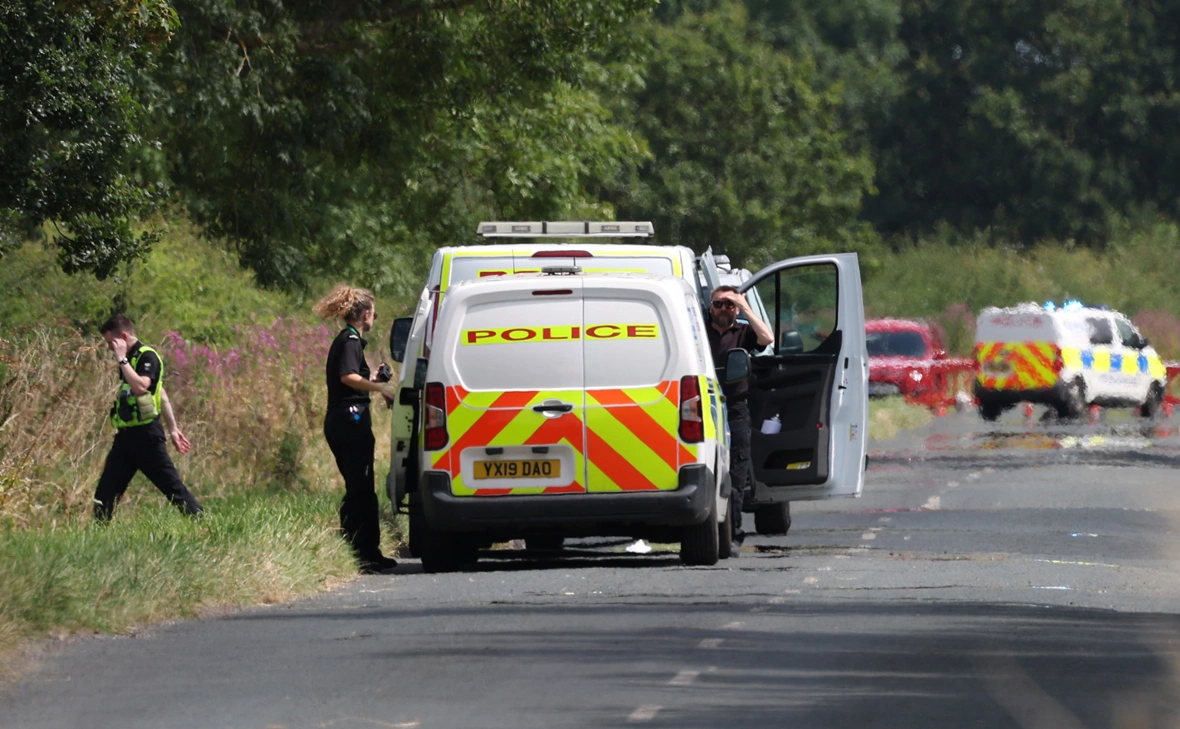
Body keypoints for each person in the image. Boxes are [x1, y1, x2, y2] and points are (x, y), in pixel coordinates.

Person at [313, 284, 399, 574]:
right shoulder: (350, 340)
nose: (375, 318)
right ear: (364, 314)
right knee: (361, 487)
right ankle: (363, 551)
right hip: (349, 421)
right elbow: (348, 377)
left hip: (345, 419)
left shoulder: (348, 341)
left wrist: (373, 376)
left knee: (360, 487)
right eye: (374, 313)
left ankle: (362, 548)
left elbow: (353, 375)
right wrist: (382, 389)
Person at [94, 314, 203, 522]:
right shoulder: (129, 358)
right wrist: (173, 428)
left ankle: (203, 524)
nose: (109, 348)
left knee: (173, 488)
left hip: (146, 437)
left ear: (123, 336)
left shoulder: (147, 356)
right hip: (125, 437)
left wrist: (122, 359)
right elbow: (161, 394)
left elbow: (142, 386)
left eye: (111, 343)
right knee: (105, 493)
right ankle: (95, 538)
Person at [706, 286, 773, 549]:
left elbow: (767, 339)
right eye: (719, 304)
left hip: (735, 408)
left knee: (736, 472)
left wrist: (744, 306)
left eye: (729, 304)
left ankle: (731, 535)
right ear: (710, 306)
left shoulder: (743, 332)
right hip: (703, 405)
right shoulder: (698, 330)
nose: (724, 309)